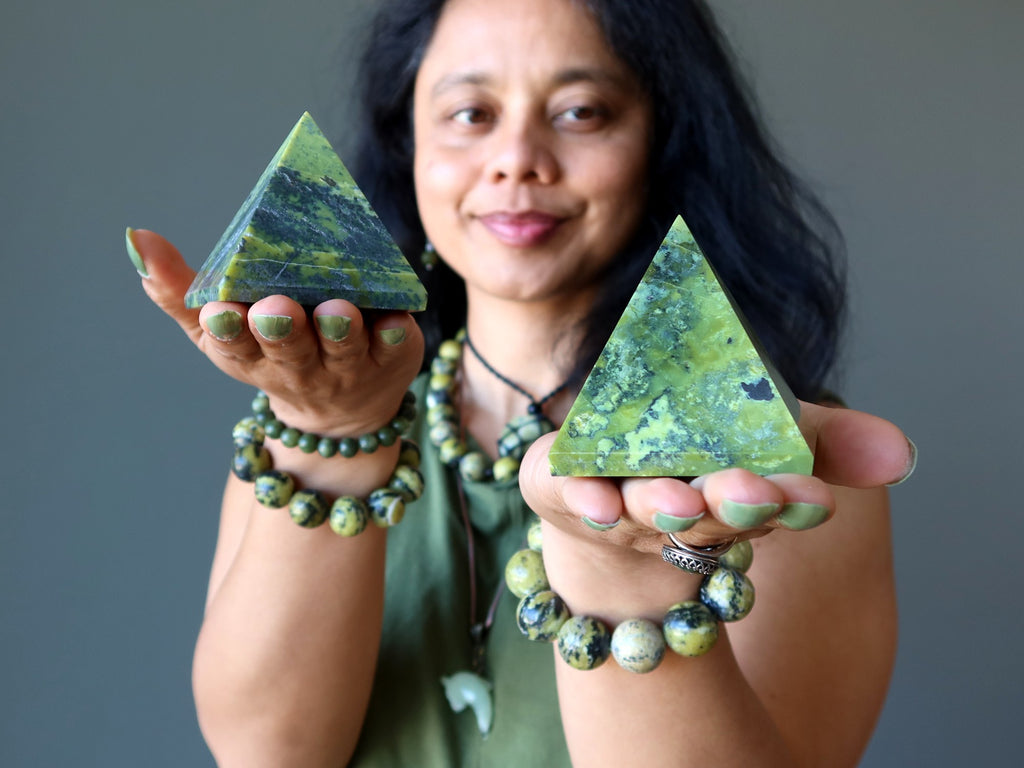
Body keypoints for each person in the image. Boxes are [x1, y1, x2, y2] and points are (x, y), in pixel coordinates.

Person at [127, 0, 915, 764]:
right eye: (470, 113)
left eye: (581, 112)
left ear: (664, 141)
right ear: (408, 146)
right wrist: (334, 430)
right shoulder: (300, 424)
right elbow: (268, 755)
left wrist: (624, 572)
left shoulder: (758, 460)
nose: (517, 158)